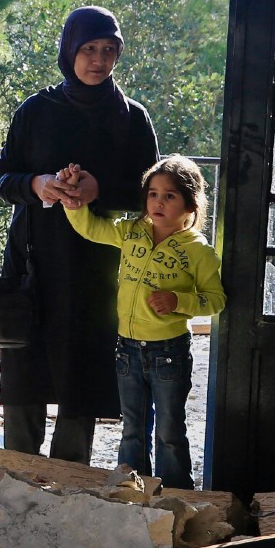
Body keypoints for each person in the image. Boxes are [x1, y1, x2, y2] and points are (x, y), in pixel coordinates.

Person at [0, 6, 158, 462]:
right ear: (69, 51)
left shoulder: (132, 118)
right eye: (89, 49)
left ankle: (69, 481)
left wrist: (98, 188)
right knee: (25, 370)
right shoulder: (35, 110)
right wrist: (39, 185)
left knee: (80, 377)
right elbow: (3, 178)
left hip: (96, 268)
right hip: (34, 261)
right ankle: (16, 473)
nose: (99, 60)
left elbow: (151, 192)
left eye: (109, 50)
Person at [63, 155, 226, 488]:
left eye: (169, 196)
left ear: (190, 204)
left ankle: (178, 495)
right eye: (153, 193)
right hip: (127, 350)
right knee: (132, 428)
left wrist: (179, 301)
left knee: (169, 430)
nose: (158, 202)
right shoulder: (131, 232)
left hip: (170, 353)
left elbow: (216, 300)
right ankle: (131, 492)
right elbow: (90, 227)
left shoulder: (198, 251)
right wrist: (73, 200)